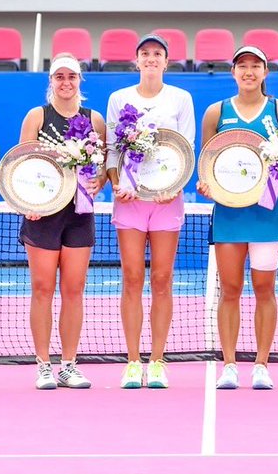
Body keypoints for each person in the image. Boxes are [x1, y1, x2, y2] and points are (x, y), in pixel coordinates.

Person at [199, 45, 278, 390]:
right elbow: (206, 162)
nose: (249, 72)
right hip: (229, 214)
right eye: (243, 66)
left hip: (267, 214)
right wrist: (207, 184)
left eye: (256, 66)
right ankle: (229, 364)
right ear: (234, 73)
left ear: (265, 72)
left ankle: (261, 365)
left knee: (264, 289)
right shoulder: (216, 112)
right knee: (230, 290)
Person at [105, 34, 197, 388]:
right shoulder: (119, 99)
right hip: (129, 202)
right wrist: (117, 184)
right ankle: (132, 361)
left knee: (161, 280)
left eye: (157, 54)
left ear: (166, 61)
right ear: (137, 61)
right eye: (145, 54)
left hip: (167, 202)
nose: (151, 59)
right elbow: (113, 151)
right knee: (132, 279)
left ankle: (157, 361)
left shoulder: (180, 98)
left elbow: (186, 148)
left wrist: (172, 187)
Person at [15, 54, 108, 388]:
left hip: (79, 215)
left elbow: (103, 168)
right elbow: (21, 165)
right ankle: (43, 365)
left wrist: (99, 182)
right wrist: (29, 203)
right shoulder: (37, 116)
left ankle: (68, 364)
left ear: (80, 80)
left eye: (72, 76)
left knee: (73, 290)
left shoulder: (95, 119)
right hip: (42, 215)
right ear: (51, 82)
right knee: (42, 289)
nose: (66, 82)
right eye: (59, 77)